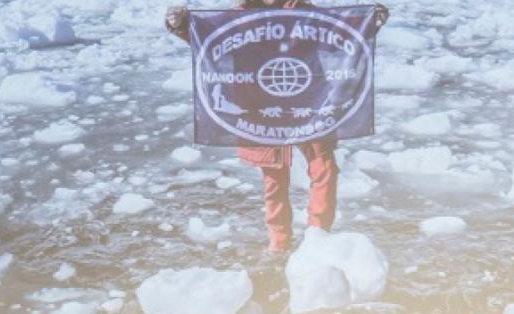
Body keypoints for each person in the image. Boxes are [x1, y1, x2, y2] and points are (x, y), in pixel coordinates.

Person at [164, 1, 390, 254]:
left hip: (309, 100)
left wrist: (370, 22)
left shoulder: (306, 11)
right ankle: (279, 242)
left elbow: (343, 32)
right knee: (274, 177)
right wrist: (181, 24)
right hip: (260, 107)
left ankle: (319, 233)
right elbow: (206, 35)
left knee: (324, 167)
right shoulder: (239, 16)